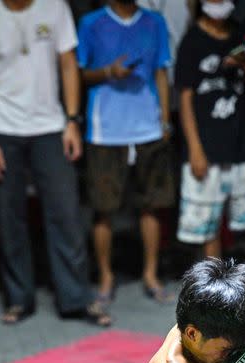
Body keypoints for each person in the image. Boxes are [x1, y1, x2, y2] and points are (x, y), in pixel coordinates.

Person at [0, 0, 112, 327]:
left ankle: (75, 298)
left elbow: (68, 64)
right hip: (3, 128)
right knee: (9, 216)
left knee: (66, 213)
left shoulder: (54, 8)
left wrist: (72, 120)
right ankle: (19, 299)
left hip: (50, 127)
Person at [77, 0, 176, 305]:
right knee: (103, 207)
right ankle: (106, 275)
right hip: (106, 128)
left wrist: (164, 119)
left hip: (147, 125)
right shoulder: (92, 23)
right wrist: (109, 71)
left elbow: (161, 71)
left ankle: (150, 274)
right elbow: (78, 73)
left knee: (151, 204)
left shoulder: (154, 21)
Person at [174, 0, 245, 266]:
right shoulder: (192, 41)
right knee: (208, 228)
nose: (219, 4)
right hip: (206, 145)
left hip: (242, 142)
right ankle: (216, 289)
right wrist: (195, 150)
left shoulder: (241, 34)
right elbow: (185, 98)